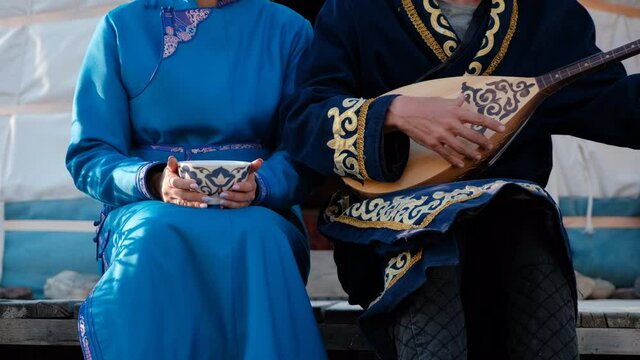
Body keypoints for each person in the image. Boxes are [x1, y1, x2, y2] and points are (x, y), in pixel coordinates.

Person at [282, 0, 640, 359]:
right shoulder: (356, 10)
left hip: (509, 225)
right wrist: (392, 112)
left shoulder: (546, 15)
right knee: (432, 248)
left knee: (530, 230)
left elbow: (614, 105)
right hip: (389, 227)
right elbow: (305, 122)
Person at [65, 0, 327, 359]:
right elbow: (89, 153)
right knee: (155, 234)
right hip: (148, 205)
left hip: (261, 207)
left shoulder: (288, 28)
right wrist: (154, 180)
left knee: (258, 236)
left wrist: (262, 184)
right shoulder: (121, 26)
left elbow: (307, 146)